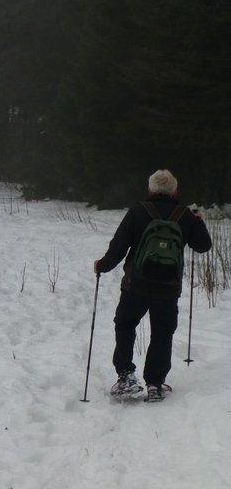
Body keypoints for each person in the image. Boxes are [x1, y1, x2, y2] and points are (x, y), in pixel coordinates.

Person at [93, 169, 212, 402]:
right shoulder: (185, 216)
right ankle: (155, 384)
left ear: (149, 189)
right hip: (168, 288)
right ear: (175, 191)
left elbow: (119, 246)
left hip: (135, 285)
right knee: (162, 332)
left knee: (125, 324)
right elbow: (203, 246)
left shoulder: (138, 211)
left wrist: (102, 266)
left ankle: (126, 375)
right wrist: (198, 223)